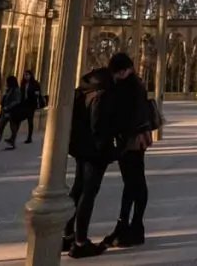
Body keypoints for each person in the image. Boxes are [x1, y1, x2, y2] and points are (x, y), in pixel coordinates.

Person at [63, 64, 117, 258]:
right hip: (94, 152)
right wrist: (107, 149)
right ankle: (80, 241)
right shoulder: (101, 94)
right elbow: (98, 125)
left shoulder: (84, 91)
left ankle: (67, 233)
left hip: (80, 148)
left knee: (77, 190)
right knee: (88, 192)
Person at [103, 53, 154, 249]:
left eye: (117, 73)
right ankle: (130, 225)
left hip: (131, 141)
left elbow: (126, 115)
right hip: (135, 140)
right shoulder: (135, 85)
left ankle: (130, 226)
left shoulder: (129, 87)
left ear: (125, 70)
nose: (115, 76)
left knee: (134, 182)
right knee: (134, 182)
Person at [0, 75, 22, 151]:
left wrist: (8, 107)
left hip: (12, 112)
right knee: (0, 128)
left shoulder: (16, 90)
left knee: (13, 128)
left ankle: (12, 143)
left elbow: (17, 101)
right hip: (5, 112)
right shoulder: (8, 90)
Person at [17, 69, 43, 144]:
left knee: (30, 120)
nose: (26, 76)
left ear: (30, 75)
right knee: (18, 118)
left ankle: (29, 137)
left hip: (31, 104)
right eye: (25, 75)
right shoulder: (23, 83)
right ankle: (13, 136)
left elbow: (37, 93)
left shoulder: (35, 84)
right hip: (24, 104)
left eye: (27, 75)